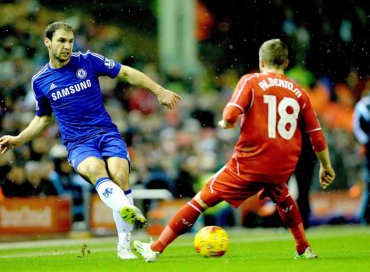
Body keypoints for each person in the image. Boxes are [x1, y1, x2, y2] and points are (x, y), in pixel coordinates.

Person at [133, 39, 335, 262]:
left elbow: (230, 115)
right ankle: (303, 248)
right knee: (283, 196)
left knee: (199, 201)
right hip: (281, 166)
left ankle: (156, 249)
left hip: (249, 164)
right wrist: (326, 166)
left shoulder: (250, 81)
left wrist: (226, 123)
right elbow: (316, 134)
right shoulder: (300, 92)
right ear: (285, 62)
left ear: (261, 61)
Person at [0, 21, 182, 259]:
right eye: (61, 41)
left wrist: (159, 90)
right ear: (48, 42)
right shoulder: (40, 81)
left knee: (120, 173)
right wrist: (17, 139)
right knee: (96, 170)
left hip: (106, 133)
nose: (67, 46)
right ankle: (126, 209)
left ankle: (123, 244)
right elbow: (43, 119)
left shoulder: (87, 60)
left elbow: (125, 72)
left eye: (70, 41)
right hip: (78, 143)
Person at [352, 93, 370, 225]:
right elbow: (358, 127)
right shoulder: (364, 105)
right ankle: (365, 215)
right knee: (368, 180)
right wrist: (364, 142)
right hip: (369, 147)